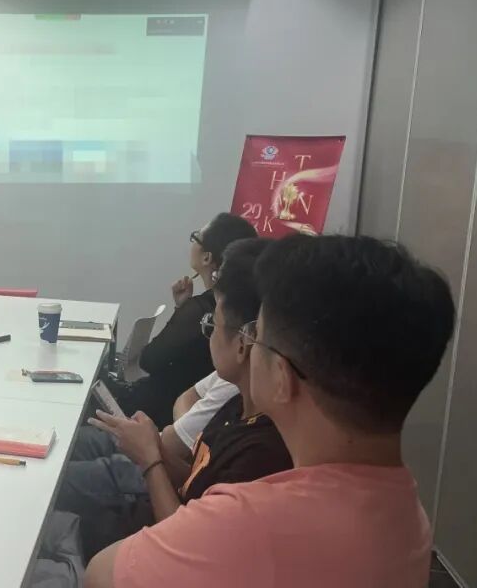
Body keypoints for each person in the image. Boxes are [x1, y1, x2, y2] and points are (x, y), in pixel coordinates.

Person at [86, 235, 456, 588]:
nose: (247, 347)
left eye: (257, 336)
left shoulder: (253, 521)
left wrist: (154, 462)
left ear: (282, 376)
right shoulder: (408, 514)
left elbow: (101, 574)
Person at [52, 238, 291, 561]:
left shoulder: (259, 451)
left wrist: (151, 459)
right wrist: (154, 447)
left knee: (50, 505)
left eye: (212, 324)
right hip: (148, 504)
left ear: (244, 342)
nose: (209, 335)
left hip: (146, 538)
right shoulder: (237, 405)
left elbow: (186, 547)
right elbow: (195, 476)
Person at [116, 212, 257, 429]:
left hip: (153, 413)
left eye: (196, 237)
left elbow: (149, 360)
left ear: (207, 257)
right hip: (176, 412)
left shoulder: (201, 311)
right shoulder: (237, 308)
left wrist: (185, 311)